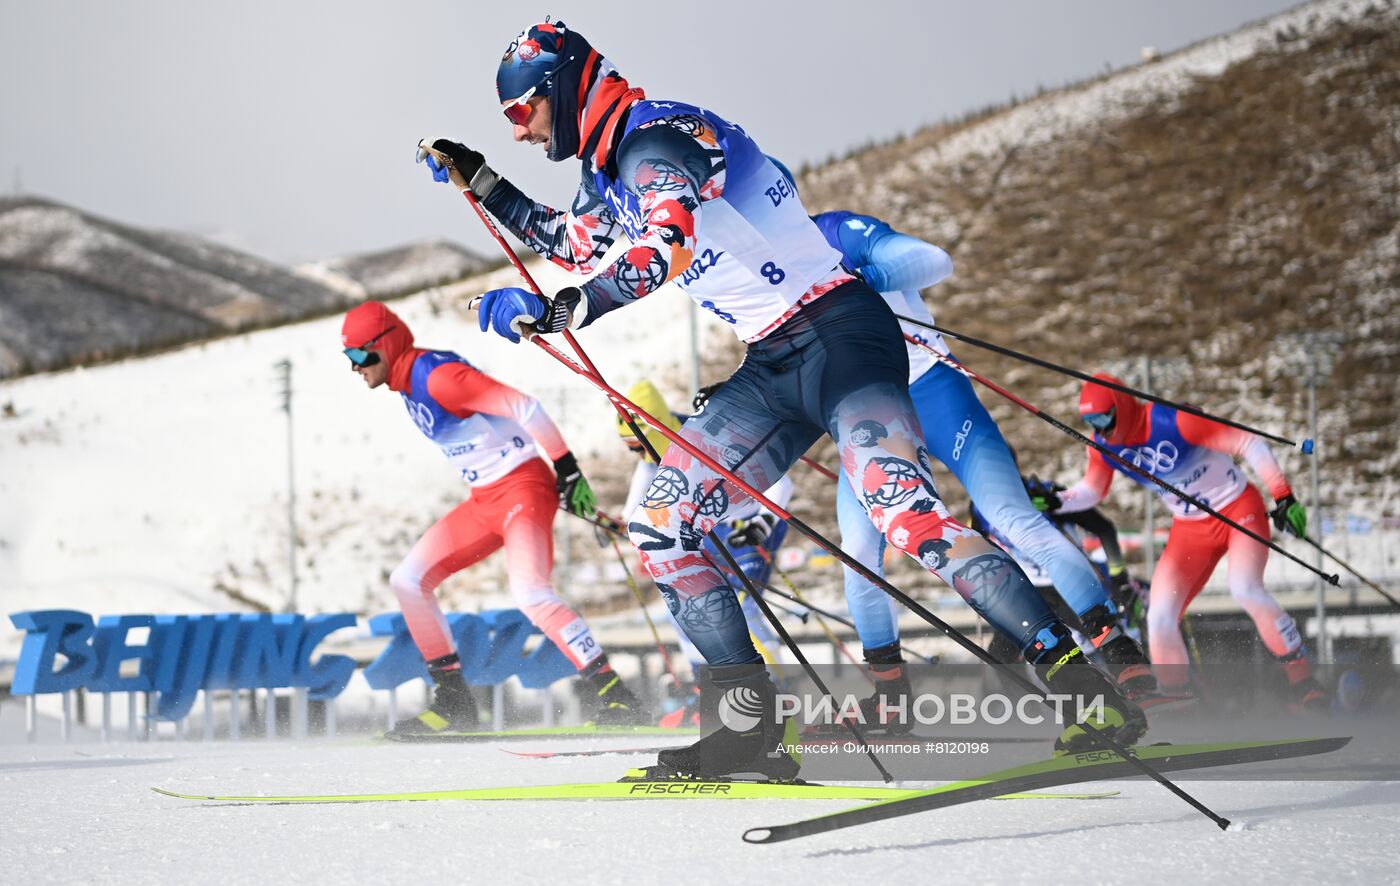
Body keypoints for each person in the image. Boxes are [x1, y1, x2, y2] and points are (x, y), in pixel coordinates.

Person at [426, 20, 1144, 777]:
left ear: (564, 89)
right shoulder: (609, 171)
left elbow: (662, 244)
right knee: (662, 523)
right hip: (774, 359)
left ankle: (1087, 694)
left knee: (906, 517)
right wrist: (481, 182)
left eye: (521, 113)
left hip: (842, 338)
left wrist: (567, 308)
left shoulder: (657, 138)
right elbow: (571, 242)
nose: (520, 132)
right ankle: (750, 728)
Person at [791, 188, 1155, 731]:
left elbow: (933, 260)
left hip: (934, 388)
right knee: (860, 552)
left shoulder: (833, 232)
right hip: (869, 413)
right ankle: (889, 698)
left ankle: (1119, 653)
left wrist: (863, 281)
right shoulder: (760, 281)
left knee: (1011, 518)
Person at [341, 300, 644, 736]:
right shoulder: (408, 383)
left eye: (359, 355)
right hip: (487, 500)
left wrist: (567, 470)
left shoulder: (438, 377)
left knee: (532, 593)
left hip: (523, 489)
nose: (355, 367)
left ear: (385, 345)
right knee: (407, 580)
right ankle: (454, 703)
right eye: (347, 358)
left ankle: (617, 695)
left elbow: (526, 408)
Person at [1053, 373, 1327, 710]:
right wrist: (1056, 500)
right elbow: (1093, 491)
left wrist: (1283, 496)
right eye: (1091, 422)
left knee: (1245, 588)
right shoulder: (1102, 447)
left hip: (1238, 508)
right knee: (1159, 614)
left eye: (1104, 419)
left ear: (1122, 406)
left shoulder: (1172, 419)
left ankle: (1304, 682)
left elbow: (1248, 443)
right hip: (1190, 529)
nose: (1101, 429)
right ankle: (1174, 695)